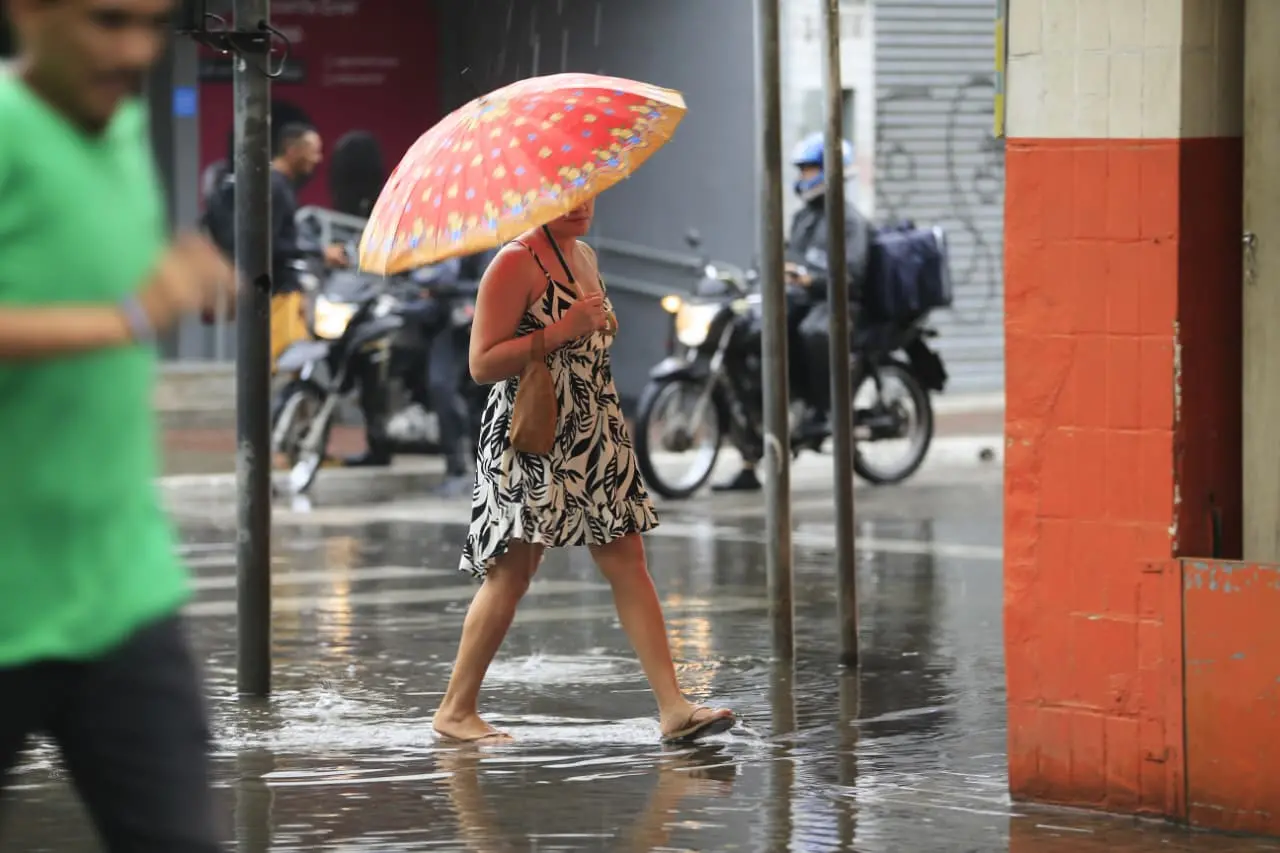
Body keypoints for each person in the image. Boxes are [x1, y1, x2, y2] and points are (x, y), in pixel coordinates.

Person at [0, 1, 234, 850]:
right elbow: (121, 312)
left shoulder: (124, 130)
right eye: (108, 21)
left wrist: (176, 268)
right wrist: (131, 313)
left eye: (150, 23)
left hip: (120, 592)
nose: (136, 49)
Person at [433, 201, 735, 744]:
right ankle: (456, 710)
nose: (583, 204)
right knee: (512, 572)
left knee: (628, 559)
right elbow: (481, 363)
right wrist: (561, 330)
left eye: (591, 190)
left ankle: (673, 707)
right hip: (534, 434)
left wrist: (593, 327)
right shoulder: (514, 261)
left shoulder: (584, 256)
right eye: (566, 195)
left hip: (594, 430)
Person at [714, 131, 871, 493]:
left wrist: (809, 280)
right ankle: (750, 456)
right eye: (800, 170)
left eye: (809, 169)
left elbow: (852, 275)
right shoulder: (803, 218)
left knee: (813, 334)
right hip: (797, 302)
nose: (802, 177)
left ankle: (822, 411)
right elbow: (783, 255)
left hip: (832, 305)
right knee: (744, 336)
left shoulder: (849, 222)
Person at [344, 249, 496, 487]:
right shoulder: (430, 242)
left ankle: (463, 469)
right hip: (427, 323)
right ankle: (380, 445)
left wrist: (450, 290)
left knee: (447, 388)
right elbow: (411, 281)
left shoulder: (483, 244)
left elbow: (488, 283)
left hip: (466, 326)